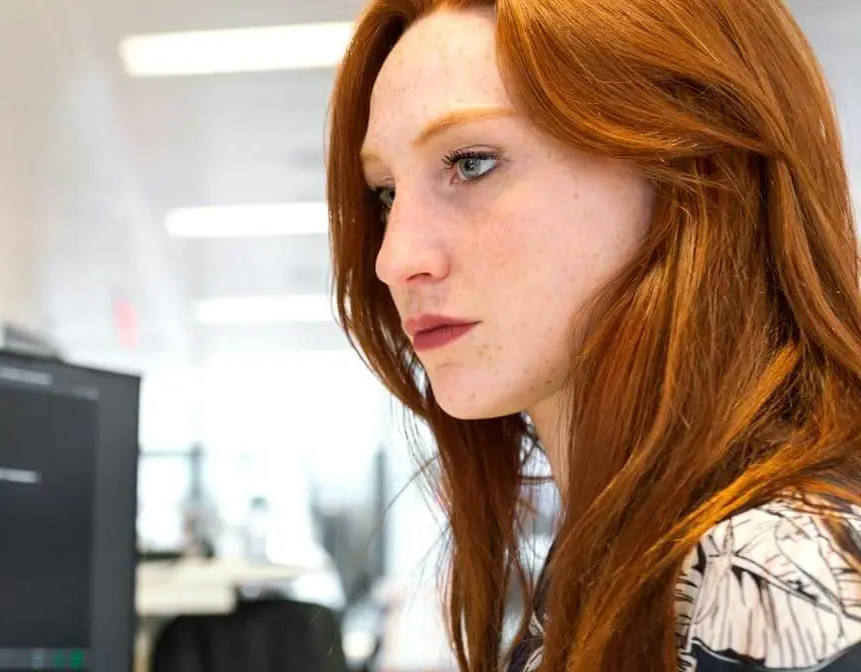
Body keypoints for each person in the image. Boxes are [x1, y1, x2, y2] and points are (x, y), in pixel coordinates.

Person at [326, 1, 861, 670]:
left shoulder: (775, 569)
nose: (393, 258)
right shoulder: (618, 553)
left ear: (691, 164)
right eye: (385, 193)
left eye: (470, 162)